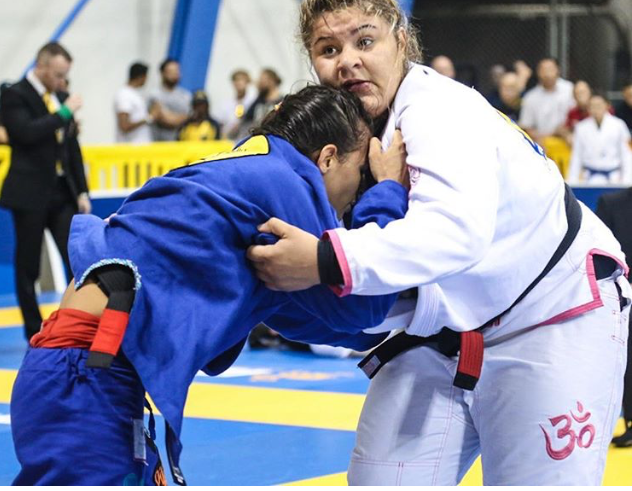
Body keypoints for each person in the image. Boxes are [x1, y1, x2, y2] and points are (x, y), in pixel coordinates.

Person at [247, 0, 631, 486]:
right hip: (443, 330)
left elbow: (455, 234)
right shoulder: (344, 137)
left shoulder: (437, 110)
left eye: (365, 40)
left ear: (401, 39)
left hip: (551, 312)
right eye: (327, 48)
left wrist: (324, 261)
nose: (348, 60)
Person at [10, 85, 410, 485]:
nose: (357, 191)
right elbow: (363, 305)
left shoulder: (239, 170)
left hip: (77, 371)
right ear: (327, 158)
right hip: (88, 375)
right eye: (360, 174)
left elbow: (337, 323)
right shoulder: (284, 180)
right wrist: (387, 192)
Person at [0, 42, 91, 340]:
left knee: (75, 258)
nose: (61, 82)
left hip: (61, 193)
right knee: (28, 265)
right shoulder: (15, 95)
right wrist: (64, 112)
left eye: (65, 75)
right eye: (57, 75)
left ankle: (74, 322)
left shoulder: (60, 97)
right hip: (28, 192)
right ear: (41, 67)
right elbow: (25, 133)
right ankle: (33, 330)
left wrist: (82, 191)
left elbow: (71, 150)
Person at [596, 188, 632, 447]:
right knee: (627, 361)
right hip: (626, 295)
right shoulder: (612, 203)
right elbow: (600, 253)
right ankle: (631, 421)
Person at [567, 92, 632, 185]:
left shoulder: (619, 125)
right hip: (589, 177)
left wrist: (627, 180)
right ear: (588, 108)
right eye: (592, 106)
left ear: (607, 105)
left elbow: (626, 155)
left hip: (614, 177)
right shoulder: (581, 127)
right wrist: (572, 180)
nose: (596, 109)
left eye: (599, 105)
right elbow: (576, 156)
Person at [519, 57, 574, 144]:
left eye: (550, 69)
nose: (547, 74)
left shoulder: (570, 90)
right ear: (538, 72)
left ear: (558, 70)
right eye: (544, 70)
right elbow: (526, 126)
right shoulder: (530, 97)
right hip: (543, 144)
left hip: (568, 141)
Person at [235, 68, 284, 141]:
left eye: (262, 80)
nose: (259, 82)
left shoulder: (282, 102)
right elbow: (246, 120)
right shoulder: (259, 101)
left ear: (271, 81)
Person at [114, 62, 157, 144]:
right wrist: (149, 118)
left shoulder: (135, 94)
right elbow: (124, 125)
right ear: (142, 77)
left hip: (139, 149)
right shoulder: (124, 95)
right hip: (130, 150)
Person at [150, 59, 192, 141]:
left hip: (180, 146)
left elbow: (190, 116)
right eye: (171, 71)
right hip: (158, 144)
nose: (175, 74)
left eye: (177, 71)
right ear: (162, 73)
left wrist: (182, 117)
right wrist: (182, 118)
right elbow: (166, 120)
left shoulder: (186, 95)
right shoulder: (155, 95)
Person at [218, 69, 258, 139]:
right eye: (236, 80)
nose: (238, 83)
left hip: (247, 139)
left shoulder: (253, 101)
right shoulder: (226, 103)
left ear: (247, 82)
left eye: (241, 80)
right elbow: (221, 123)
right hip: (228, 140)